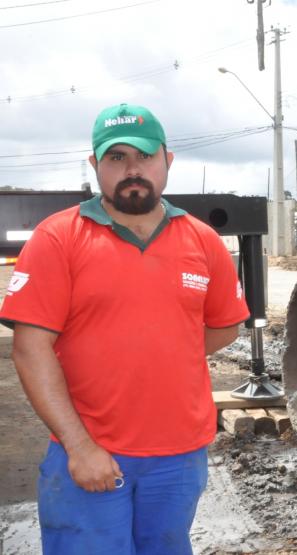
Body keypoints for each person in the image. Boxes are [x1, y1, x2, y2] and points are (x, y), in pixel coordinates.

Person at [0, 103, 250, 554]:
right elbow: (30, 348)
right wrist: (79, 448)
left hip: (179, 457)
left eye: (145, 156)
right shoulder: (58, 238)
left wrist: (160, 351)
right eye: (116, 158)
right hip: (90, 451)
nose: (132, 170)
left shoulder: (203, 241)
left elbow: (223, 329)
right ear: (96, 165)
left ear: (167, 161)